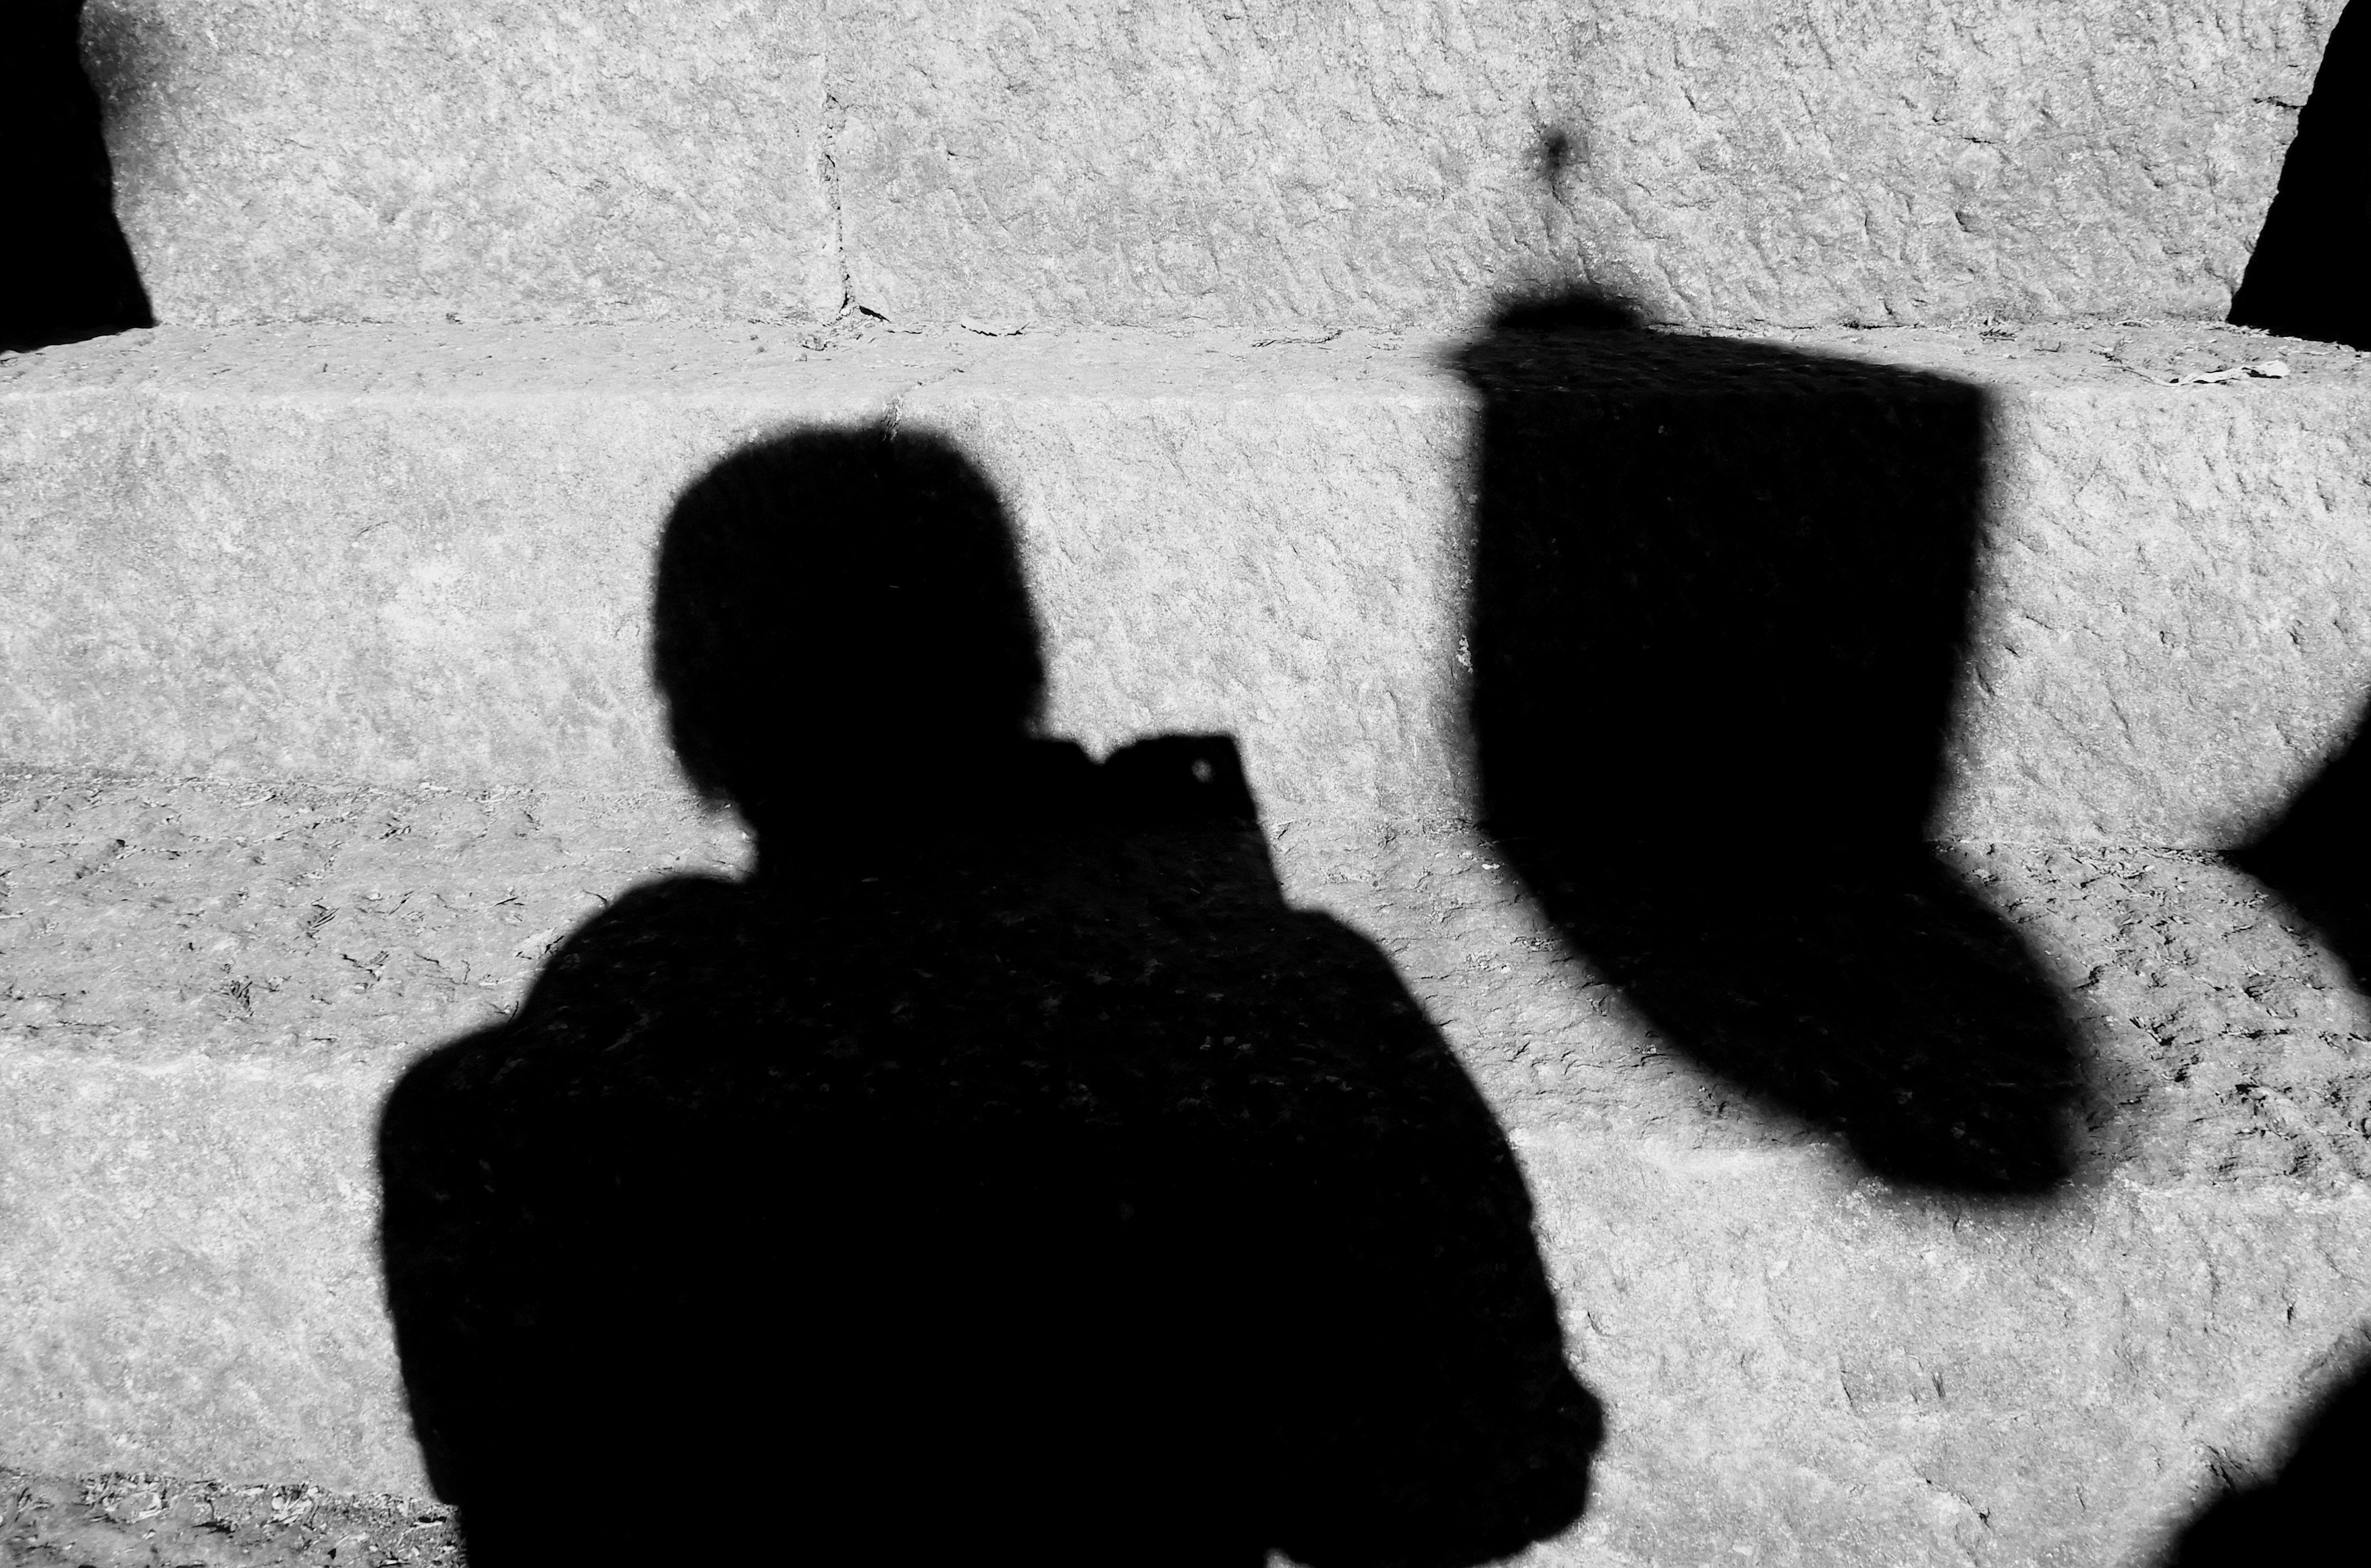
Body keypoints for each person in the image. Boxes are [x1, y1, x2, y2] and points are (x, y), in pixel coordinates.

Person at [379, 424, 1601, 1567]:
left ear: (695, 717)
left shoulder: (545, 1072)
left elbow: (509, 1478)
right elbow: (1488, 1470)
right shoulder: (1262, 1002)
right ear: (1019, 673)